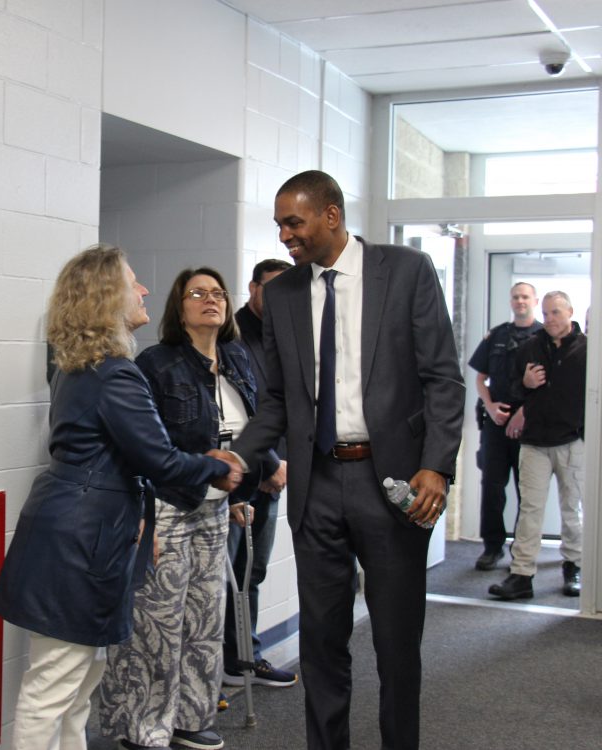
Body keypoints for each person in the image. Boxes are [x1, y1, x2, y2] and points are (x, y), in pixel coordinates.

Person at [232, 170, 464, 750]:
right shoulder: (284, 294)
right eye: (280, 225)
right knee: (323, 643)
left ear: (331, 215)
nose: (285, 236)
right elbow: (279, 400)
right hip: (317, 488)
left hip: (389, 484)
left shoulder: (404, 272)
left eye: (294, 222)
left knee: (394, 639)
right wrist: (237, 456)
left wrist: (436, 464)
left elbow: (442, 378)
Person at [0, 245, 243, 750]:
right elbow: (161, 460)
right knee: (54, 687)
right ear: (108, 297)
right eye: (134, 282)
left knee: (77, 685)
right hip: (80, 543)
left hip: (80, 535)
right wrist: (217, 468)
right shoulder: (114, 373)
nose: (145, 290)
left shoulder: (80, 367)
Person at [98, 267, 279, 750]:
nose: (210, 300)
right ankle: (142, 727)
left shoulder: (238, 357)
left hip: (217, 508)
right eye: (197, 293)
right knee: (158, 621)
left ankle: (189, 715)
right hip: (169, 504)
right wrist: (141, 512)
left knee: (204, 616)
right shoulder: (157, 364)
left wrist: (240, 496)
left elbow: (249, 431)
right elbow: (140, 446)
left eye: (218, 293)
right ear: (179, 307)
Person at [222, 258, 298, 690]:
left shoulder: (286, 334)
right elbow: (245, 408)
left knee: (253, 571)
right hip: (241, 478)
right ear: (253, 288)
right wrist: (269, 462)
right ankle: (222, 662)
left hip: (274, 474)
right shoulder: (233, 338)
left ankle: (243, 657)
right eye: (272, 287)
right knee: (228, 573)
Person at [489, 291, 586, 600]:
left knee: (573, 509)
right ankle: (521, 576)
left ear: (570, 311)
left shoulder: (588, 351)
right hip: (534, 444)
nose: (550, 319)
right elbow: (512, 391)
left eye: (556, 312)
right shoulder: (530, 347)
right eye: (546, 314)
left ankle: (575, 567)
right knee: (530, 509)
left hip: (572, 441)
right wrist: (526, 385)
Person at [468, 282, 542, 570]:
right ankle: (492, 546)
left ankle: (524, 550)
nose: (520, 301)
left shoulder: (542, 337)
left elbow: (546, 386)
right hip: (496, 422)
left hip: (528, 425)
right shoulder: (497, 335)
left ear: (533, 300)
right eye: (515, 297)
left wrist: (522, 412)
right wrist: (489, 405)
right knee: (492, 487)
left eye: (525, 297)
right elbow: (480, 378)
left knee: (528, 492)